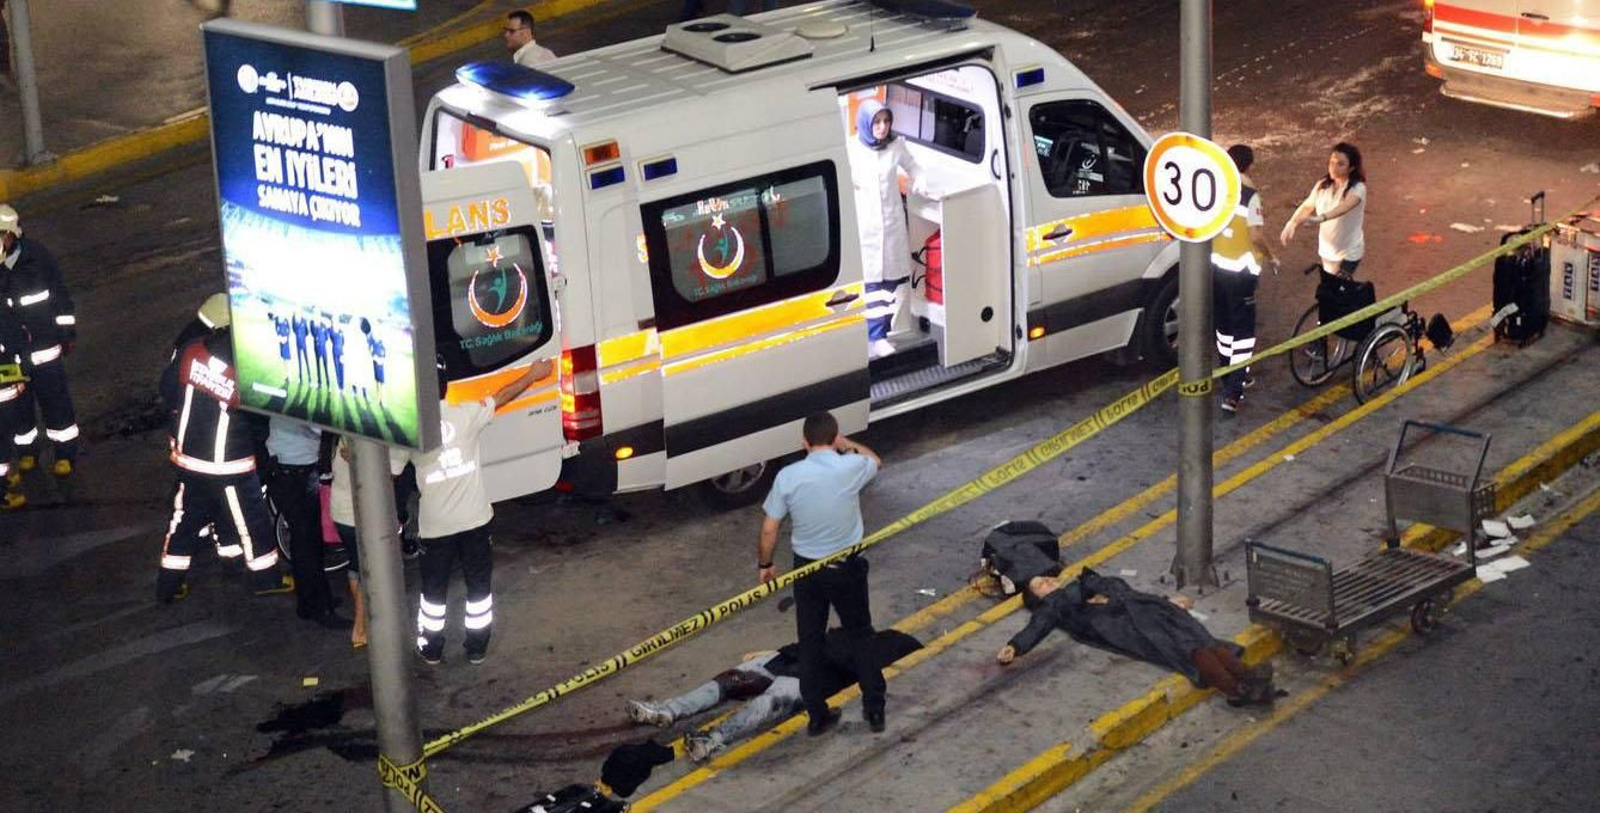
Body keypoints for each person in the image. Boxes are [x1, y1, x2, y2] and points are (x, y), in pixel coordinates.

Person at [399, 355, 550, 665]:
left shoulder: (409, 431)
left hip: (436, 526)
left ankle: (431, 649)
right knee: (479, 587)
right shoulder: (466, 415)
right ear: (445, 386)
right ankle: (477, 646)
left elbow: (387, 470)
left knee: (433, 593)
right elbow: (502, 396)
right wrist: (533, 375)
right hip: (475, 521)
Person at [757, 411, 887, 735]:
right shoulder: (851, 466)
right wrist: (846, 444)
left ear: (803, 442)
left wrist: (765, 564)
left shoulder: (788, 476)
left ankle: (817, 714)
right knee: (861, 635)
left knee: (810, 640)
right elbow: (875, 460)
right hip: (848, 567)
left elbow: (770, 529)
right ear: (835, 437)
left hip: (807, 571)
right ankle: (874, 710)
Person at [156, 295, 292, 602]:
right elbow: (262, 416)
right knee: (251, 519)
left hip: (189, 458)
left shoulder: (192, 352)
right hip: (228, 463)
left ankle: (168, 584)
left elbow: (167, 390)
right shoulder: (246, 372)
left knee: (186, 519)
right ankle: (266, 577)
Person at [627, 628, 921, 761]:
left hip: (801, 675)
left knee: (754, 697)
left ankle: (703, 732)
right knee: (734, 686)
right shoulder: (858, 638)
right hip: (789, 663)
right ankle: (677, 717)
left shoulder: (873, 646)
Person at [997, 570, 1278, 707]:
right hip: (1130, 628)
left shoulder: (1084, 584)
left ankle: (1248, 677)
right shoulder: (1056, 606)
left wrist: (1167, 601)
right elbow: (1036, 628)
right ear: (1039, 598)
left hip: (1148, 611)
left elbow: (1124, 590)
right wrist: (1015, 646)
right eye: (1040, 585)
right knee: (1187, 649)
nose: (1048, 581)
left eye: (1046, 578)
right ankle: (1236, 689)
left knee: (1201, 638)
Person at [848, 100, 933, 360]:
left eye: (886, 121)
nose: (882, 127)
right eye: (876, 122)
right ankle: (875, 336)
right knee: (872, 284)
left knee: (891, 282)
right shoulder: (851, 148)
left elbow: (915, 168)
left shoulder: (897, 146)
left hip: (892, 225)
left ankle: (882, 332)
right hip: (866, 229)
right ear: (865, 123)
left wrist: (919, 183)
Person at [0, 204, 80, 478]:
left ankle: (64, 453)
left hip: (44, 348)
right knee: (19, 407)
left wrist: (67, 332)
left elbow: (59, 296)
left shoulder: (37, 257)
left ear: (11, 233)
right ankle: (27, 453)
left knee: (55, 402)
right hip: (11, 357)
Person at [1211, 144, 1281, 414]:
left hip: (1217, 268)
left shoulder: (1215, 189)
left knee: (1224, 326)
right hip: (1242, 273)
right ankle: (1233, 392)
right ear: (1250, 166)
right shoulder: (1250, 195)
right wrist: (1272, 256)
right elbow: (1256, 236)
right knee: (1243, 333)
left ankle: (1228, 374)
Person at [265, 415, 348, 628]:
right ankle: (319, 607)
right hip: (292, 472)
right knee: (307, 544)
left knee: (306, 540)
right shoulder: (295, 395)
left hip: (293, 468)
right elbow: (313, 427)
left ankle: (309, 602)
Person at [1280, 142, 1368, 278]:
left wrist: (1319, 218)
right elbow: (1308, 205)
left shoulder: (1358, 188)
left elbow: (1343, 207)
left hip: (1349, 252)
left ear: (1351, 168)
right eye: (1332, 162)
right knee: (1331, 286)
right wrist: (1292, 223)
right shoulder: (1322, 185)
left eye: (1340, 164)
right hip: (1327, 251)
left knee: (1338, 289)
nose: (1333, 167)